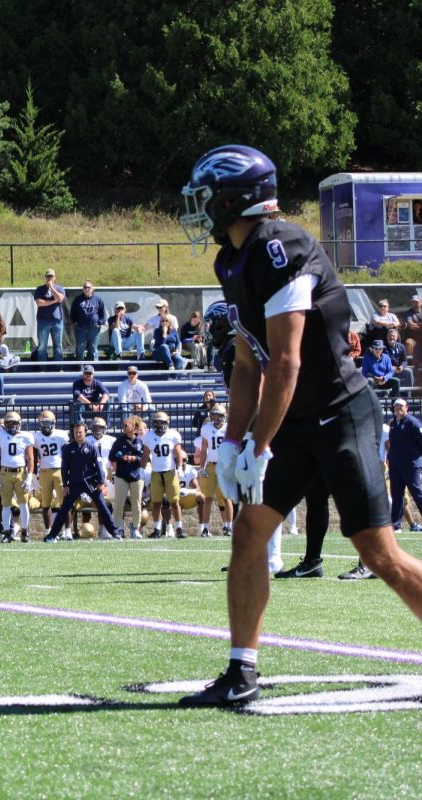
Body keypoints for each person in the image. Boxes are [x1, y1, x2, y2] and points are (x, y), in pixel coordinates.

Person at [176, 143, 422, 707]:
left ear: (233, 198)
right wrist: (234, 441)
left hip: (339, 413)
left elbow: (287, 360)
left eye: (204, 197)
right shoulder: (230, 260)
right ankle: (241, 671)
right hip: (292, 418)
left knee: (376, 549)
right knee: (249, 533)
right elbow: (246, 362)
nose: (196, 210)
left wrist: (259, 443)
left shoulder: (281, 245)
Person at [45, 422, 120, 541]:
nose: (78, 434)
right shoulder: (68, 448)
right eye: (76, 432)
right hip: (74, 483)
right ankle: (51, 536)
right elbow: (65, 468)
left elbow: (98, 465)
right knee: (64, 509)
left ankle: (114, 533)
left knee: (102, 506)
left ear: (85, 432)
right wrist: (65, 485)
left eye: (80, 432)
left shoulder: (91, 447)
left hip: (90, 483)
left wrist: (100, 481)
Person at [0, 411, 35, 542]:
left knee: (23, 504)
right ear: (5, 424)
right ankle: (6, 533)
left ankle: (24, 532)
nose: (12, 426)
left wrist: (29, 477)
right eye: (9, 423)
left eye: (15, 423)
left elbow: (31, 459)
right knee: (5, 504)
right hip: (5, 473)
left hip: (21, 473)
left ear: (20, 424)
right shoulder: (0, 436)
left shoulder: (26, 436)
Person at [141, 410, 184, 538]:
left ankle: (179, 529)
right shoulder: (149, 436)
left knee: (174, 502)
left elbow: (178, 453)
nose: (159, 425)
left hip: (170, 472)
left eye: (162, 422)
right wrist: (141, 469)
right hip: (156, 473)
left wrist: (180, 467)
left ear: (167, 423)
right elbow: (145, 455)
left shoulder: (173, 435)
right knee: (156, 503)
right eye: (157, 423)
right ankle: (157, 529)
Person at [196, 404, 234, 538]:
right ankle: (205, 528)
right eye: (215, 415)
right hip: (211, 466)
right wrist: (201, 467)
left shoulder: (229, 428)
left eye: (220, 416)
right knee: (208, 498)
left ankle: (228, 526)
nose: (217, 418)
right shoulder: (206, 428)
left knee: (226, 498)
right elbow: (204, 449)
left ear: (224, 416)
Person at [386, 398, 422, 533]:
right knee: (397, 495)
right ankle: (395, 525)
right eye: (396, 406)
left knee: (417, 493)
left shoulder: (413, 423)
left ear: (407, 407)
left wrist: (415, 458)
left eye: (400, 406)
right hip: (395, 466)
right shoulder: (393, 423)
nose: (398, 409)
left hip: (411, 465)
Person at [109, 416, 146, 538]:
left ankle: (136, 528)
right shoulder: (119, 441)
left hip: (136, 476)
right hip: (121, 476)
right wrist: (121, 457)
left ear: (134, 427)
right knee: (119, 504)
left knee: (136, 504)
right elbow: (112, 456)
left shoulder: (140, 442)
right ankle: (117, 529)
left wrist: (134, 458)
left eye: (127, 425)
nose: (124, 428)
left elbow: (144, 458)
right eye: (124, 425)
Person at [33, 409, 69, 531]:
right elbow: (33, 457)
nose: (46, 426)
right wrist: (33, 476)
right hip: (44, 472)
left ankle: (67, 531)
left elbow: (66, 455)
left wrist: (68, 472)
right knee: (46, 504)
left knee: (65, 504)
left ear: (54, 422)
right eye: (44, 423)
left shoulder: (61, 434)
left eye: (48, 423)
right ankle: (48, 531)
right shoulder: (36, 437)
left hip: (59, 471)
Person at [33, 268, 66, 360]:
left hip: (57, 321)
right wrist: (53, 301)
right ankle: (42, 368)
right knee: (42, 346)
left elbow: (60, 298)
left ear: (54, 277)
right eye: (48, 276)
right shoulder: (40, 289)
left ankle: (58, 368)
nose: (49, 278)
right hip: (43, 320)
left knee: (58, 346)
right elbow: (39, 303)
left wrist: (52, 288)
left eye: (51, 276)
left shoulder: (59, 288)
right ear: (45, 277)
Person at [70, 280, 106, 360]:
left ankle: (91, 368)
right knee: (80, 347)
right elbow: (72, 312)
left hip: (94, 329)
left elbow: (103, 314)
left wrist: (100, 323)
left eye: (88, 287)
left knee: (92, 348)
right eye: (85, 287)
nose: (87, 289)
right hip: (80, 328)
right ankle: (80, 366)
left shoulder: (98, 300)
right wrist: (75, 322)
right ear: (83, 289)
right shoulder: (77, 299)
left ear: (92, 289)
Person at [403, 295, 422, 388]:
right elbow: (410, 326)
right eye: (413, 302)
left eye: (417, 301)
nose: (415, 303)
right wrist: (420, 324)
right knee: (409, 342)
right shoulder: (408, 313)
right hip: (413, 338)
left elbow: (414, 325)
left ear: (421, 302)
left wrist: (416, 325)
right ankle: (412, 365)